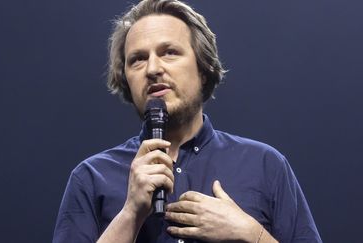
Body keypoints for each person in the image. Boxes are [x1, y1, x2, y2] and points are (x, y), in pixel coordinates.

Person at [53, 0, 322, 242]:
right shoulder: (91, 177)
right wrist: (130, 213)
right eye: (137, 59)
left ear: (204, 68)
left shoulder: (266, 165)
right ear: (125, 79)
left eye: (169, 52)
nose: (153, 68)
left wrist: (251, 234)